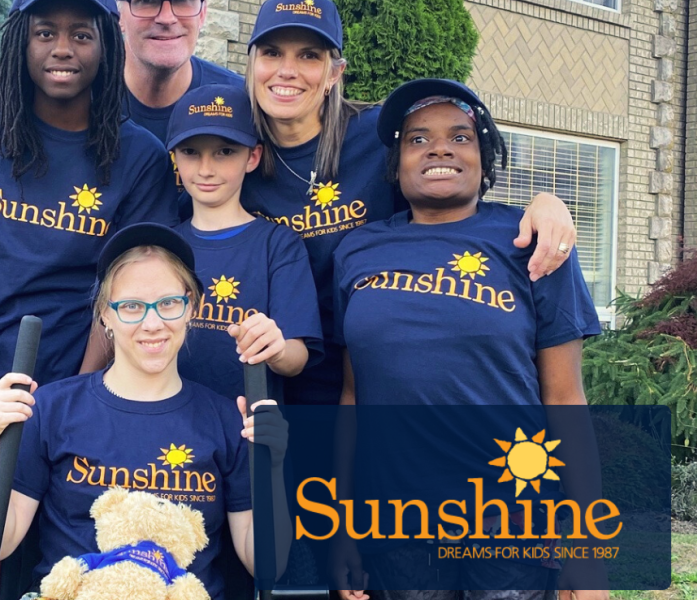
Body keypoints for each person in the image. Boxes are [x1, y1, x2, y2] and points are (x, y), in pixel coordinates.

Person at [332, 79, 603, 600]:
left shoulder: (530, 243)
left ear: (485, 156)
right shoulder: (358, 250)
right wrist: (343, 528)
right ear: (394, 165)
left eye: (461, 136)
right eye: (417, 139)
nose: (439, 147)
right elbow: (352, 397)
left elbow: (566, 398)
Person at [240, 0, 578, 406]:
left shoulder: (374, 135)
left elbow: (456, 200)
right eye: (272, 52)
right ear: (252, 63)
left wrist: (545, 202)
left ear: (334, 73)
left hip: (367, 371)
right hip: (273, 375)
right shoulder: (231, 149)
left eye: (309, 55)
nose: (287, 70)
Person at [0, 0, 177, 517]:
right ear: (21, 42)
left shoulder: (139, 155)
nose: (62, 48)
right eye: (45, 33)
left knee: (70, 538)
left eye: (82, 35)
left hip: (90, 382)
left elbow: (123, 293)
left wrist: (82, 393)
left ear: (107, 46)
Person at [0, 223, 282, 599]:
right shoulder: (53, 409)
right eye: (132, 306)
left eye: (168, 303)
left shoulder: (226, 421)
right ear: (105, 314)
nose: (153, 323)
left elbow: (268, 564)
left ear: (191, 307)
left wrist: (272, 466)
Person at [167, 83, 322, 403]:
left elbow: (298, 357)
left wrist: (276, 349)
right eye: (191, 152)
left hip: (247, 434)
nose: (206, 169)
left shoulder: (279, 246)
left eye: (225, 152)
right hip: (169, 430)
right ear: (175, 158)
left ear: (252, 156)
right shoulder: (162, 247)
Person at [118, 0, 243, 144]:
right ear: (120, 14)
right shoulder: (88, 94)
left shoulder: (243, 104)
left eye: (182, 1)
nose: (167, 19)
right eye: (148, 2)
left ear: (202, 14)